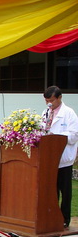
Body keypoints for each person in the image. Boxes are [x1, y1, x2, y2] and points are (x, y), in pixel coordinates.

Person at [43, 86, 78, 228]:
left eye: (51, 101)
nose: (49, 104)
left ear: (59, 98)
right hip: (49, 158)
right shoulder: (46, 113)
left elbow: (74, 135)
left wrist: (56, 137)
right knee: (51, 190)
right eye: (46, 101)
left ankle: (64, 218)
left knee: (65, 190)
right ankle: (52, 216)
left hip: (64, 158)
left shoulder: (69, 113)